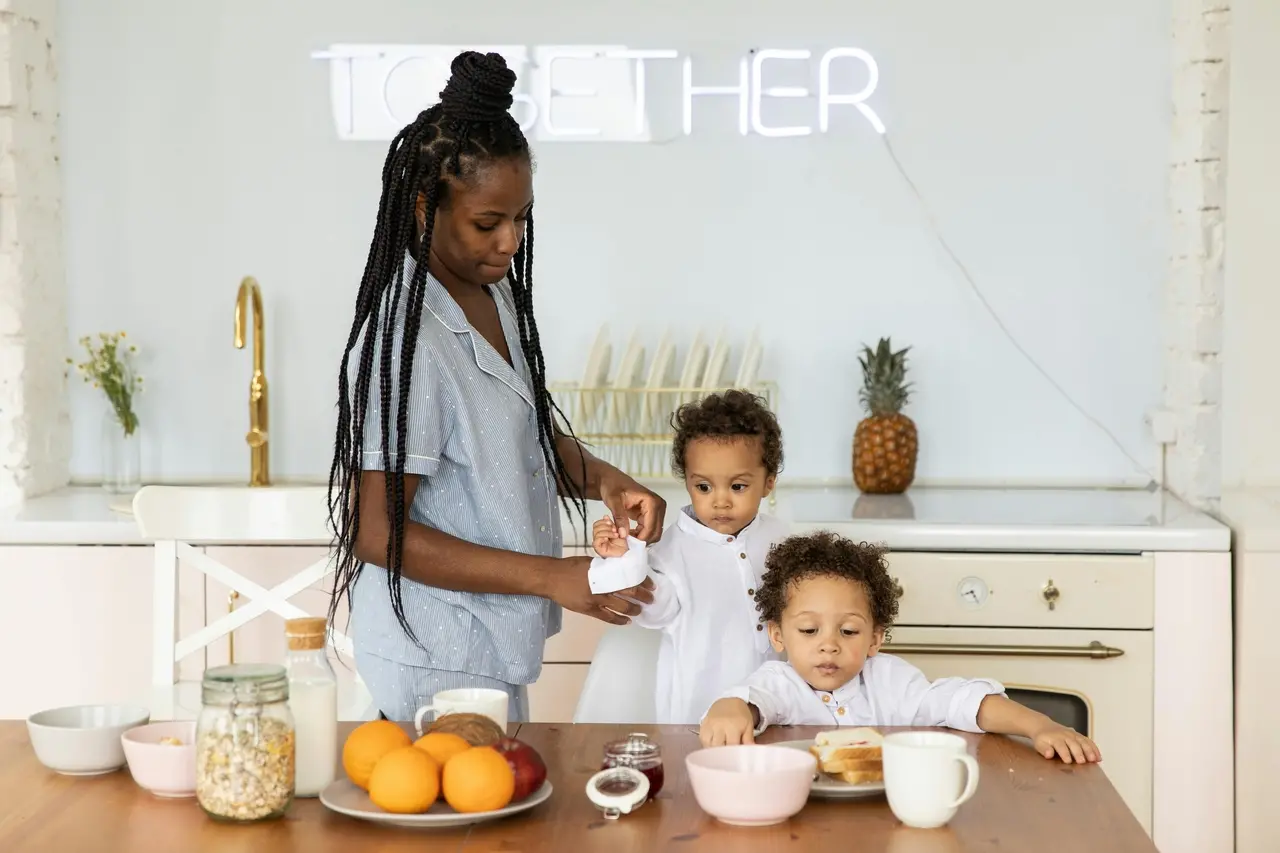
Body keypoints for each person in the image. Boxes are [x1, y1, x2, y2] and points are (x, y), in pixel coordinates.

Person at [325, 51, 665, 723]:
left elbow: (519, 436)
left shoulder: (492, 293)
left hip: (485, 643)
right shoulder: (408, 341)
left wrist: (605, 477)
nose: (510, 240)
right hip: (434, 650)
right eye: (488, 222)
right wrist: (551, 576)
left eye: (521, 219)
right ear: (425, 208)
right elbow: (375, 531)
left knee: (495, 812)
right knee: (467, 818)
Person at [699, 531, 1103, 764]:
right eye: (808, 630)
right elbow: (751, 703)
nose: (829, 646)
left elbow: (960, 701)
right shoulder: (779, 682)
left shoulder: (891, 681)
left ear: (875, 638)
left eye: (849, 632)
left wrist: (1040, 726)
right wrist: (730, 706)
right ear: (777, 635)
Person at [590, 390, 790, 724]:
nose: (720, 501)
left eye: (737, 487)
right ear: (688, 482)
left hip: (776, 708)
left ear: (768, 482)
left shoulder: (783, 540)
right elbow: (655, 609)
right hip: (698, 713)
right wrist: (626, 559)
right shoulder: (673, 549)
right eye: (704, 487)